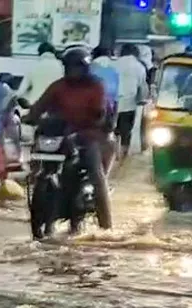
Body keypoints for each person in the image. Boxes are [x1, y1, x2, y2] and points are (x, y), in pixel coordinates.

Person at [21, 48, 113, 231]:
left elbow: (101, 112)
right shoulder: (58, 86)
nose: (73, 71)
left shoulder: (96, 86)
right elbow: (40, 106)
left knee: (96, 175)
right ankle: (44, 208)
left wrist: (96, 117)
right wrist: (28, 117)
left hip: (88, 136)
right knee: (37, 163)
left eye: (77, 68)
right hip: (61, 137)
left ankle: (106, 225)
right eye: (69, 67)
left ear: (85, 68)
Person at [114, 44, 148, 159]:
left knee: (113, 130)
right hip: (129, 104)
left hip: (112, 103)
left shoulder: (114, 64)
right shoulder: (139, 66)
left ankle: (113, 154)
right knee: (126, 131)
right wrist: (142, 100)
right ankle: (123, 155)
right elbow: (143, 87)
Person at [91, 45, 120, 173]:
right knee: (108, 142)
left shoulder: (88, 68)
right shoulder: (114, 70)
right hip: (106, 112)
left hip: (84, 114)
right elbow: (116, 98)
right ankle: (104, 174)